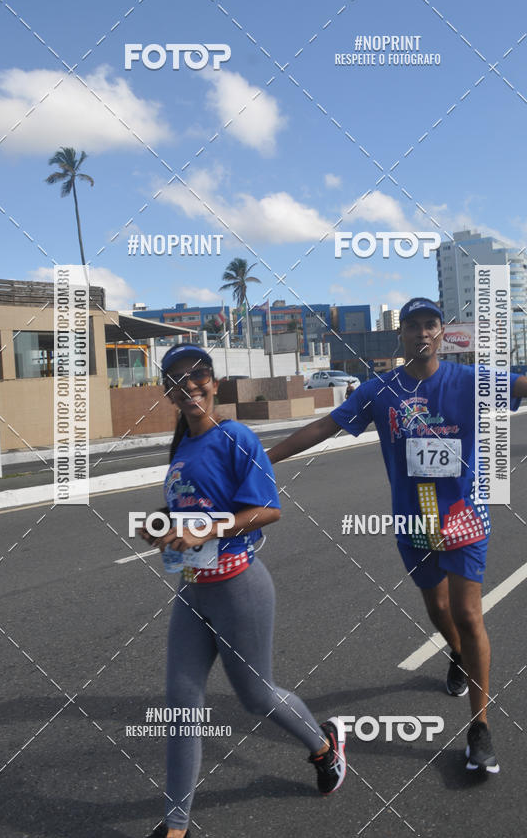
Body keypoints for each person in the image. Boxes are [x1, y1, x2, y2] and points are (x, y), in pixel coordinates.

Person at [267, 297, 527, 774]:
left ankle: (480, 727)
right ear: (401, 335)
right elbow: (321, 427)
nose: (421, 333)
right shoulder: (380, 391)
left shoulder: (468, 381)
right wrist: (262, 461)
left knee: (467, 613)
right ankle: (456, 654)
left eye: (430, 324)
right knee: (437, 611)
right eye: (412, 325)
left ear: (442, 333)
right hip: (413, 524)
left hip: (464, 518)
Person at [139, 345, 346, 838]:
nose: (189, 385)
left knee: (256, 698)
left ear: (213, 381)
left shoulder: (237, 437)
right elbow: (188, 510)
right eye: (177, 379)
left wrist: (206, 530)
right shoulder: (181, 448)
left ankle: (324, 747)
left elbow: (268, 509)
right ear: (168, 392)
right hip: (192, 590)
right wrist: (161, 526)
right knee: (181, 708)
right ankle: (177, 827)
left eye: (198, 375)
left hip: (240, 587)